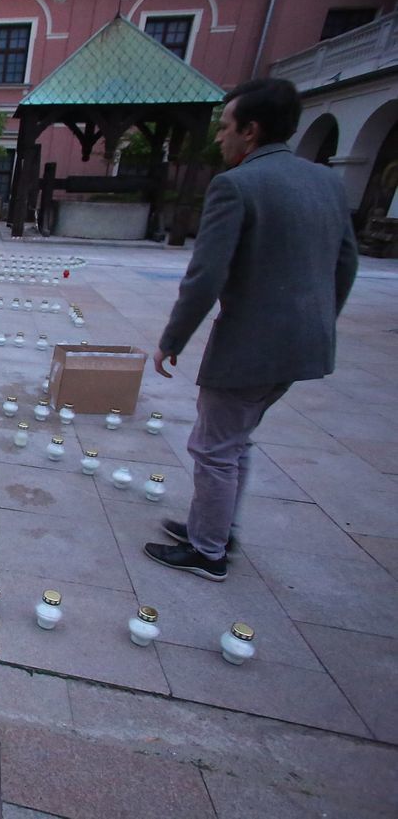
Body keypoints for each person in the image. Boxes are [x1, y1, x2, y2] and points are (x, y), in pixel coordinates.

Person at [144, 78, 358, 582]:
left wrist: (172, 340)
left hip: (251, 346)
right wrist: (320, 321)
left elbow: (206, 277)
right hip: (305, 344)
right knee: (235, 440)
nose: (220, 138)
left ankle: (208, 550)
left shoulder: (237, 185)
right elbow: (346, 263)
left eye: (226, 127)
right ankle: (215, 527)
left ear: (251, 130)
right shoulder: (327, 182)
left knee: (214, 447)